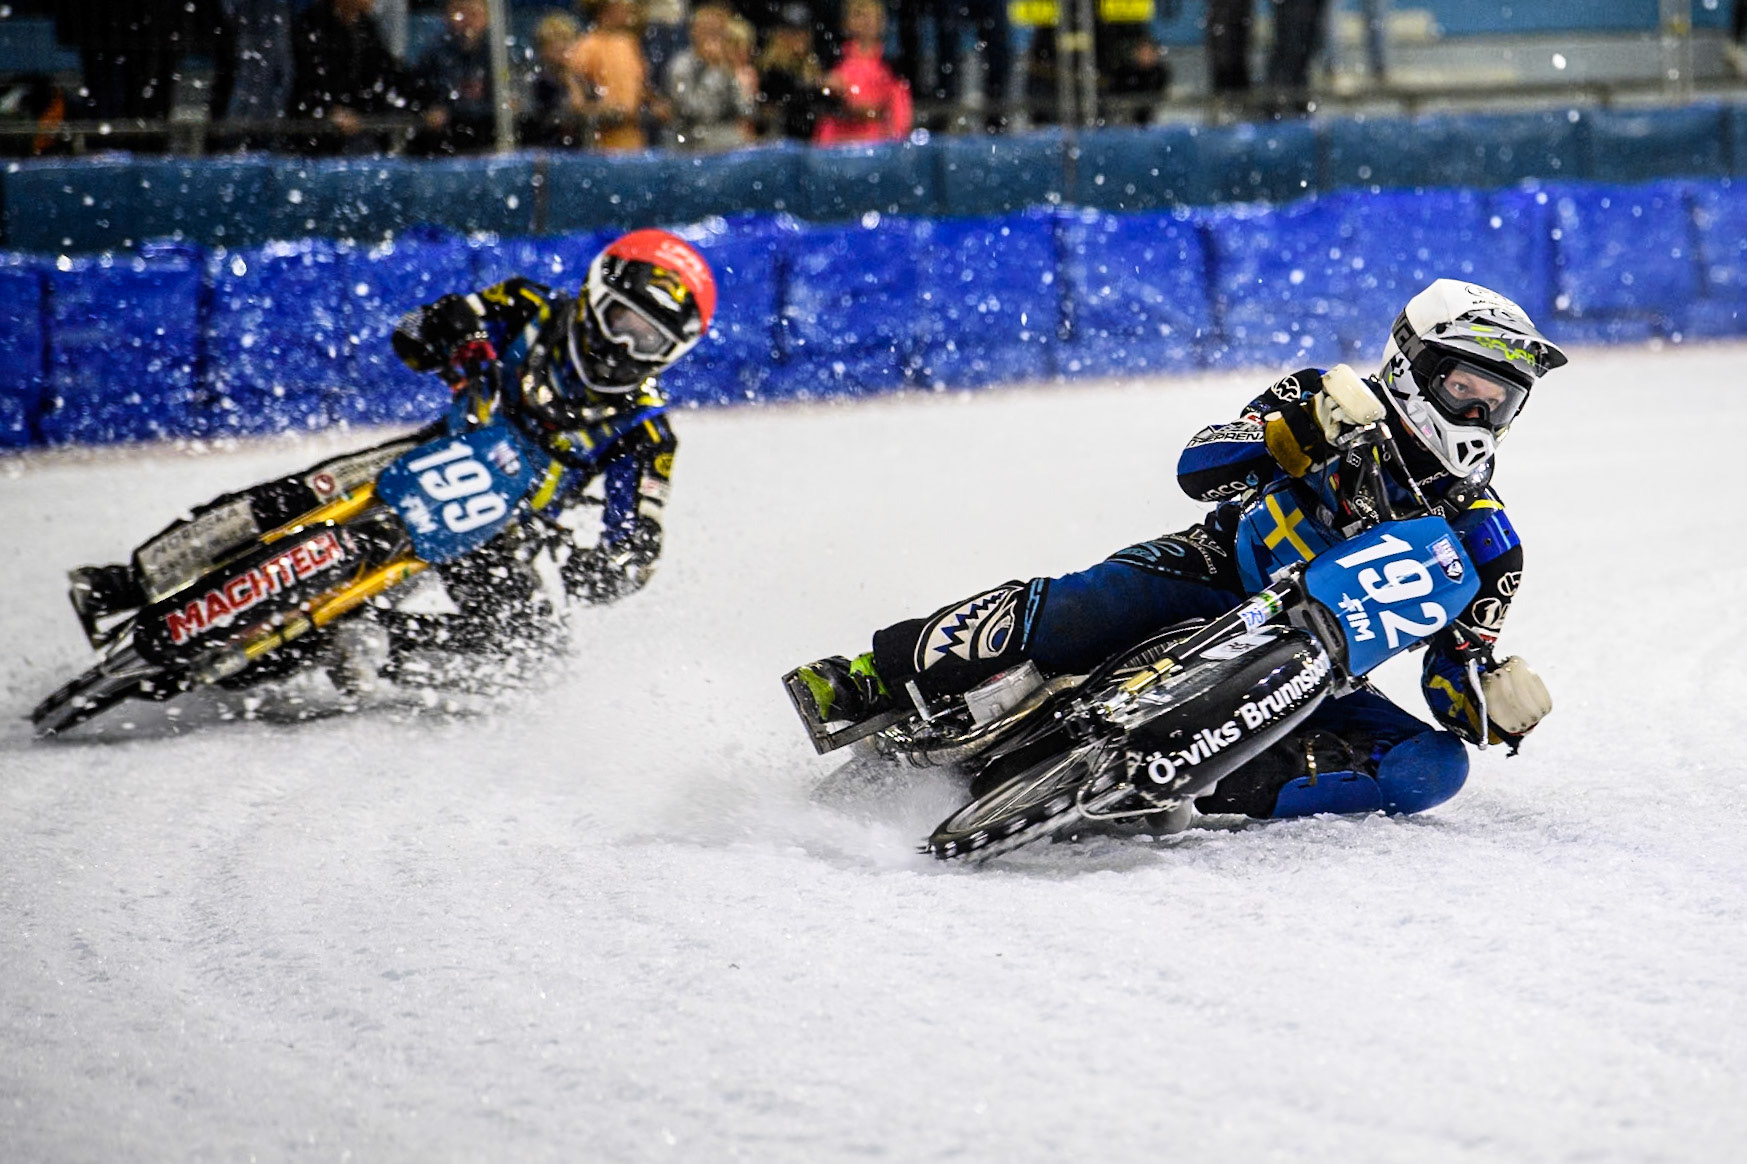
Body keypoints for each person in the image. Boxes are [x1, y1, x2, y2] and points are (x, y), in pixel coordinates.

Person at [789, 280, 1561, 823]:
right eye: (1465, 388)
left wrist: (1493, 705)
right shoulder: (1321, 396)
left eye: (1498, 400)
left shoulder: (1488, 543)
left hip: (1311, 665)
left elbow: (1451, 674)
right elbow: (1199, 467)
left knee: (1429, 768)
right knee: (1085, 607)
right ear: (1411, 366)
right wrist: (1301, 433)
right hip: (1214, 572)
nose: (1479, 412)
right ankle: (876, 674)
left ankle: (1190, 790)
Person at [66, 231, 717, 692]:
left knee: (534, 657)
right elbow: (410, 334)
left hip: (504, 529)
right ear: (596, 294)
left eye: (648, 339)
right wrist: (446, 328)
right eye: (622, 321)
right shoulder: (528, 306)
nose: (624, 347)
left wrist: (602, 568)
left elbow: (638, 545)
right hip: (431, 452)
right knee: (292, 497)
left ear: (673, 353)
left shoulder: (646, 434)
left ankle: (375, 641)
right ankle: (134, 581)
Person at [287, 0, 411, 153]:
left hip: (358, 129)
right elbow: (307, 80)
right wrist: (329, 110)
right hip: (314, 136)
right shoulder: (312, 24)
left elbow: (387, 75)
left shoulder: (365, 27)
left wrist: (427, 105)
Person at [814, 0, 912, 144]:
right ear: (845, 22)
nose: (866, 21)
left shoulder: (891, 66)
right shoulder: (832, 60)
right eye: (859, 14)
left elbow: (900, 120)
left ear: (882, 22)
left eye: (872, 16)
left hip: (878, 145)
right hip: (836, 144)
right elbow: (823, 105)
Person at [566, 0, 656, 152]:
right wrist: (603, 112)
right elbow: (576, 102)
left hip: (633, 141)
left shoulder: (629, 43)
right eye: (622, 5)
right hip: (600, 144)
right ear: (607, 9)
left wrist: (653, 104)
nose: (628, 9)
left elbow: (639, 88)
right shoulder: (587, 46)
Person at [666, 4, 759, 151]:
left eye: (718, 31)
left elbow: (746, 110)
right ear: (694, 32)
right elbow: (693, 112)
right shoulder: (681, 65)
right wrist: (713, 71)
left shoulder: (728, 64)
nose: (712, 37)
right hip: (691, 141)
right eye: (707, 31)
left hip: (727, 140)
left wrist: (736, 76)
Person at [411, 0, 495, 154]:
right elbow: (420, 95)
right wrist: (430, 110)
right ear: (446, 17)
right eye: (461, 13)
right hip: (449, 132)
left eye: (474, 14)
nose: (467, 21)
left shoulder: (498, 54)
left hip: (488, 127)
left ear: (487, 18)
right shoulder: (433, 54)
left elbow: (505, 79)